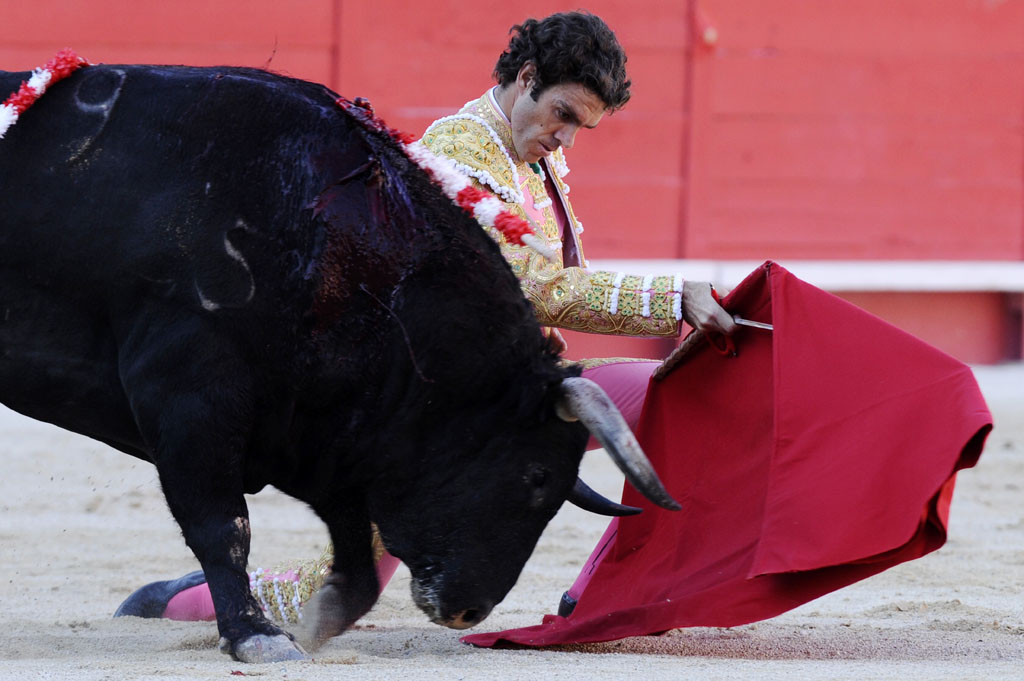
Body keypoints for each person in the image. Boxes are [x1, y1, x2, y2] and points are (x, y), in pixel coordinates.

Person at [115, 11, 736, 625]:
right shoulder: (458, 155)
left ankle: (604, 590)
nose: (566, 137)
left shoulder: (529, 158)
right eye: (564, 115)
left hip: (494, 400)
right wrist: (668, 297)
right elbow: (534, 289)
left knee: (669, 398)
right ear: (526, 78)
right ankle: (175, 601)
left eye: (581, 126)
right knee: (336, 595)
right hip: (429, 416)